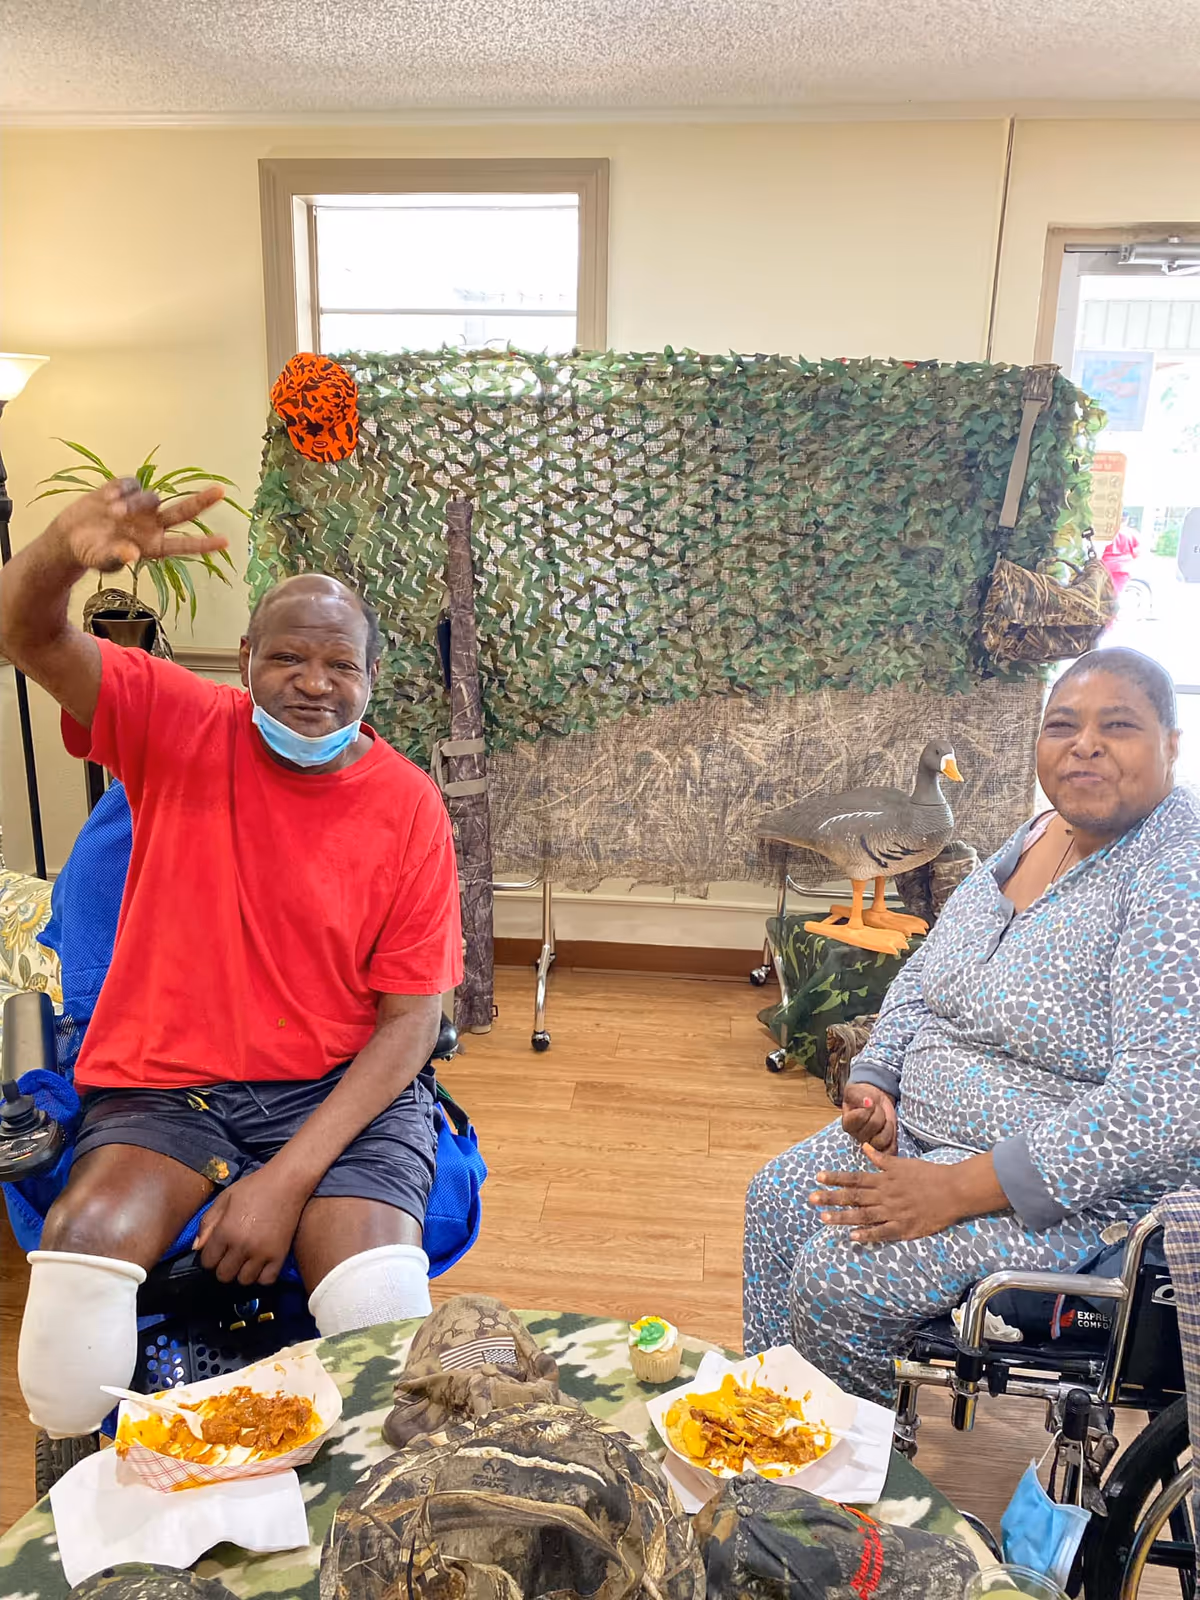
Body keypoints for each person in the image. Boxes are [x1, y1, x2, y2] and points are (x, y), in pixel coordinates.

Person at [0, 478, 463, 1437]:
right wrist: (56, 550)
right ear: (245, 659)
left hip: (336, 1086)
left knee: (382, 1333)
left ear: (372, 680)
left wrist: (285, 1181)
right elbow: (29, 635)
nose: (313, 680)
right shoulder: (174, 723)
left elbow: (411, 1020)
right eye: (286, 655)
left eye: (341, 663)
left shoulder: (408, 802)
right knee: (61, 1375)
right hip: (168, 1089)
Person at [743, 647, 1200, 1400]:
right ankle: (771, 1434)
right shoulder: (1041, 832)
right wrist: (876, 1083)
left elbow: (1160, 1109)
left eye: (1116, 725)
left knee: (840, 1278)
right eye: (1062, 725)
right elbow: (927, 973)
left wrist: (956, 1189)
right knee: (775, 1201)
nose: (1084, 743)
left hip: (1069, 1199)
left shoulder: (1173, 879)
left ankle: (850, 1500)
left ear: (1171, 744)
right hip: (922, 1136)